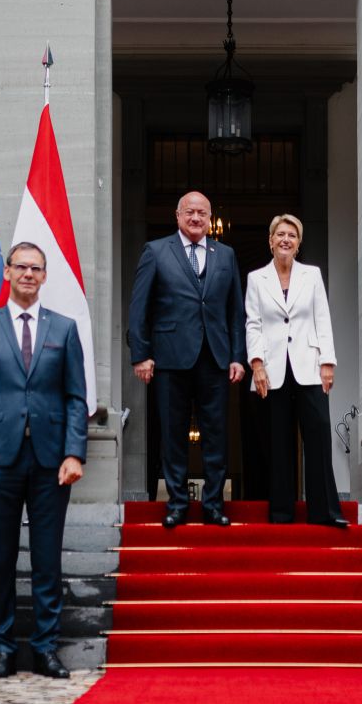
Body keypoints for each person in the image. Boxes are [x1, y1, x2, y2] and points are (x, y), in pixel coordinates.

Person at [0, 242, 88, 682]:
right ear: (7, 272)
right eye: (21, 267)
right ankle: (0, 647)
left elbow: (76, 397)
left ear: (45, 276)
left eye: (36, 268)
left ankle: (46, 647)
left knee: (47, 558)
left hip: (53, 461)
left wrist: (75, 452)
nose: (29, 274)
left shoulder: (65, 328)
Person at [127, 189, 245, 527]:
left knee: (216, 434)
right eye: (189, 212)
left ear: (210, 219)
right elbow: (139, 308)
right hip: (168, 357)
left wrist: (238, 356)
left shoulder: (226, 254)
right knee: (172, 433)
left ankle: (213, 505)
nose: (196, 218)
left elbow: (235, 311)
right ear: (178, 216)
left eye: (202, 213)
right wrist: (141, 354)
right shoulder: (156, 251)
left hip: (215, 357)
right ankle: (177, 503)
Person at [245, 213, 344, 526]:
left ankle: (325, 512)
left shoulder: (311, 275)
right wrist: (257, 364)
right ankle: (281, 513)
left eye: (292, 235)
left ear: (298, 244)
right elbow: (253, 324)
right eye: (280, 234)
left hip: (309, 366)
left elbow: (322, 319)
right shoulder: (256, 279)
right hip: (272, 370)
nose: (285, 239)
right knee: (278, 442)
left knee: (318, 437)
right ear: (271, 241)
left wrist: (327, 362)